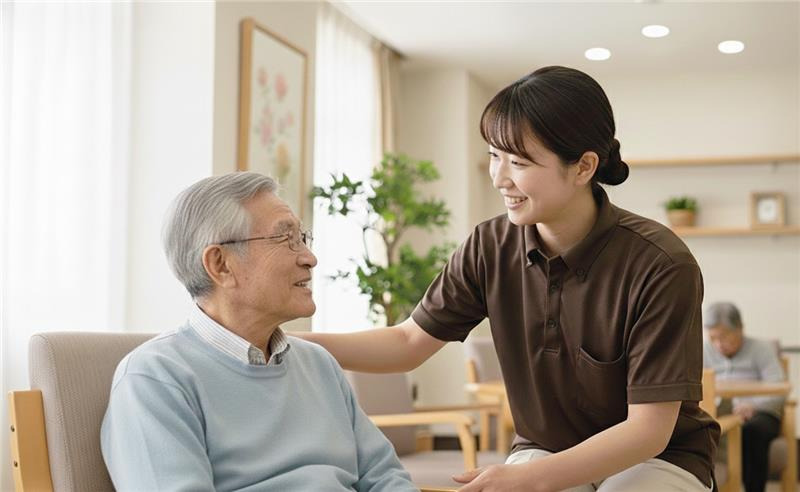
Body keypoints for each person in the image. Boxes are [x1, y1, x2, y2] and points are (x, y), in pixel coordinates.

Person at [295, 66, 719, 492]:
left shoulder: (661, 264)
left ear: (584, 166)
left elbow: (648, 431)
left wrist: (529, 478)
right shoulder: (489, 245)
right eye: (494, 155)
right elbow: (408, 343)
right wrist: (295, 343)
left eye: (518, 162)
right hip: (545, 448)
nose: (500, 178)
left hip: (658, 457)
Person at [100, 172, 416, 491]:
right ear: (221, 264)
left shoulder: (319, 365)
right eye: (285, 239)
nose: (309, 258)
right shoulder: (155, 378)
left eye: (302, 238)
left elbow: (385, 477)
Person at [703, 301, 786, 492]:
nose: (718, 344)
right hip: (719, 411)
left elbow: (779, 388)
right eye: (713, 337)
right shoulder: (705, 350)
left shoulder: (761, 349)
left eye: (723, 337)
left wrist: (753, 406)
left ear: (740, 329)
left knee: (752, 431)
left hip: (760, 413)